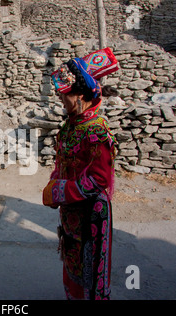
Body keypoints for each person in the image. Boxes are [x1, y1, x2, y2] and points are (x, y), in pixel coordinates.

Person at [42, 48, 119, 300]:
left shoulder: (96, 131)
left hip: (90, 214)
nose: (61, 102)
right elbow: (62, 159)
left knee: (89, 272)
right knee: (72, 265)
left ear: (81, 96)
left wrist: (60, 191)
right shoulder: (71, 125)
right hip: (71, 211)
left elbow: (99, 178)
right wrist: (55, 180)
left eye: (65, 96)